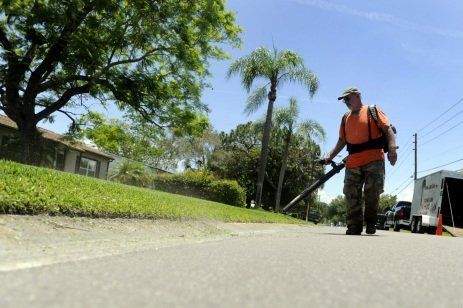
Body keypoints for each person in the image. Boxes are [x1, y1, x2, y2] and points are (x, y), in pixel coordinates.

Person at [323, 87, 397, 235]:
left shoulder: (372, 111)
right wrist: (329, 157)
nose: (346, 102)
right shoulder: (345, 118)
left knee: (372, 193)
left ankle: (370, 222)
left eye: (348, 98)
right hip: (353, 162)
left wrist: (392, 149)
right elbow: (341, 141)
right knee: (351, 193)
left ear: (358, 96)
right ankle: (354, 226)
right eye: (344, 100)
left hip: (374, 159)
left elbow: (387, 129)